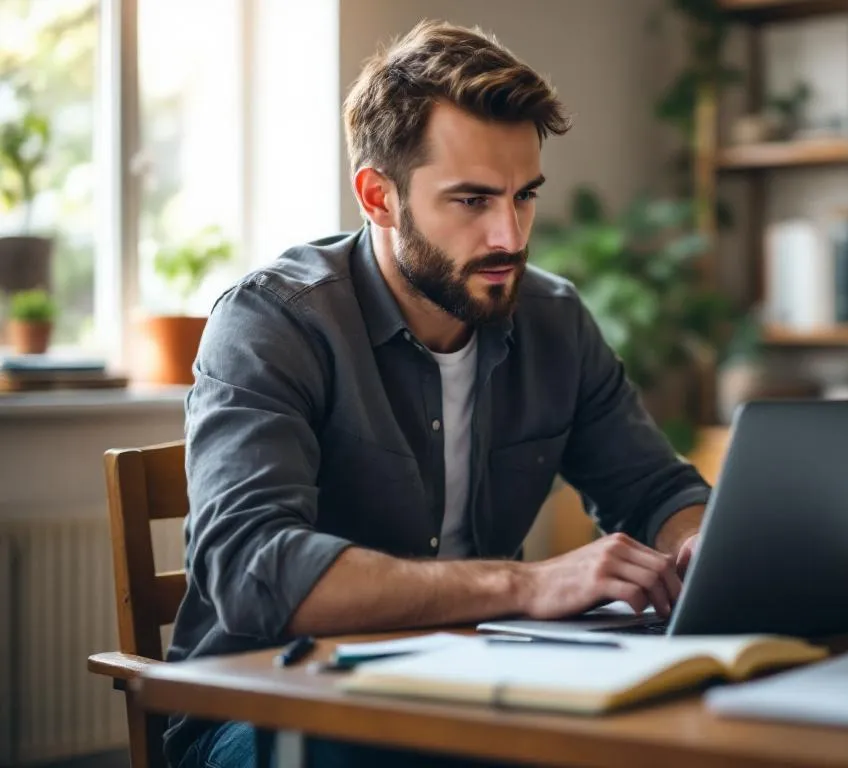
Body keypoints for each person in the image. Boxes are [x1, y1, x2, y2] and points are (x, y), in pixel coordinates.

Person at [167, 19, 711, 768]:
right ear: (379, 197)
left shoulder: (552, 320)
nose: (508, 236)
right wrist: (522, 584)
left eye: (524, 197)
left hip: (479, 691)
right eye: (472, 201)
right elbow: (257, 570)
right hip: (265, 704)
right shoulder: (274, 323)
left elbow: (655, 488)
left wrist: (699, 542)